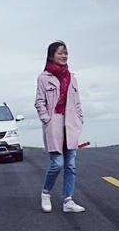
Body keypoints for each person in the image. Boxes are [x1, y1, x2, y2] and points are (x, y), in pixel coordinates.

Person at [34, 40, 85, 215]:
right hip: (54, 124)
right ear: (51, 55)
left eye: (66, 53)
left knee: (70, 165)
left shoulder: (72, 77)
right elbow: (39, 102)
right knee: (57, 163)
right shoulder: (43, 78)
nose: (64, 56)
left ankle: (68, 201)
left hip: (70, 125)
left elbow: (77, 102)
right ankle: (46, 193)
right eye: (60, 53)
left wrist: (79, 118)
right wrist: (46, 119)